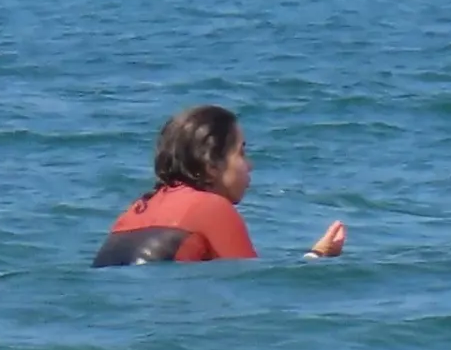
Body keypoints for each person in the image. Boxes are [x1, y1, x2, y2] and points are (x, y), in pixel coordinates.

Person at [94, 105, 347, 266]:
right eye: (241, 153)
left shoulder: (134, 211)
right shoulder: (210, 207)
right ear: (212, 165)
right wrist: (317, 256)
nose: (250, 165)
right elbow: (255, 295)